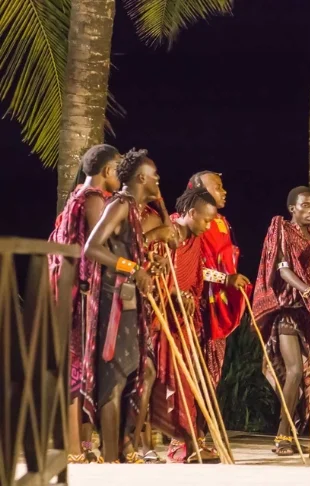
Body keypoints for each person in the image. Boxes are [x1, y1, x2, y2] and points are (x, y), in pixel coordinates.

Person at [83, 149, 171, 463]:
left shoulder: (133, 209)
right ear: (142, 178)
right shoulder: (119, 204)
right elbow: (92, 248)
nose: (158, 180)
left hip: (131, 300)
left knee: (143, 370)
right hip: (114, 302)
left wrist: (147, 261)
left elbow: (126, 249)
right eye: (155, 175)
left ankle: (124, 445)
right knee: (115, 377)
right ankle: (111, 456)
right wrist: (133, 268)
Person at [48, 144, 121, 463]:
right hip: (81, 293)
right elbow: (102, 241)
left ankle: (82, 444)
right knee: (77, 369)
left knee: (77, 367)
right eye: (118, 169)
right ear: (107, 171)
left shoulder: (76, 196)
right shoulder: (92, 199)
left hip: (71, 290)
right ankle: (74, 447)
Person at [252, 186, 310, 456]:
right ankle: (282, 435)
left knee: (303, 379)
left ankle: (294, 432)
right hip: (288, 310)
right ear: (292, 208)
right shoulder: (282, 230)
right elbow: (283, 268)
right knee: (294, 371)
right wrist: (306, 289)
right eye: (304, 205)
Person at [150, 187, 221, 463]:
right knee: (173, 382)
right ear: (191, 212)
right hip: (161, 320)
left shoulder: (195, 240)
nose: (207, 226)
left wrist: (189, 296)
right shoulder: (167, 232)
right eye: (205, 220)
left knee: (188, 383)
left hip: (183, 320)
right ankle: (181, 444)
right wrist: (174, 293)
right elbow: (155, 273)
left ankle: (188, 443)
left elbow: (194, 281)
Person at [184, 171, 251, 454]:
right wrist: (225, 279)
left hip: (217, 307)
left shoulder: (221, 223)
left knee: (209, 378)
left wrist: (231, 279)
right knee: (191, 374)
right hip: (194, 307)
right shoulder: (183, 224)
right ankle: (182, 440)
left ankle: (198, 439)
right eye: (217, 187)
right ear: (199, 191)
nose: (224, 192)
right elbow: (191, 268)